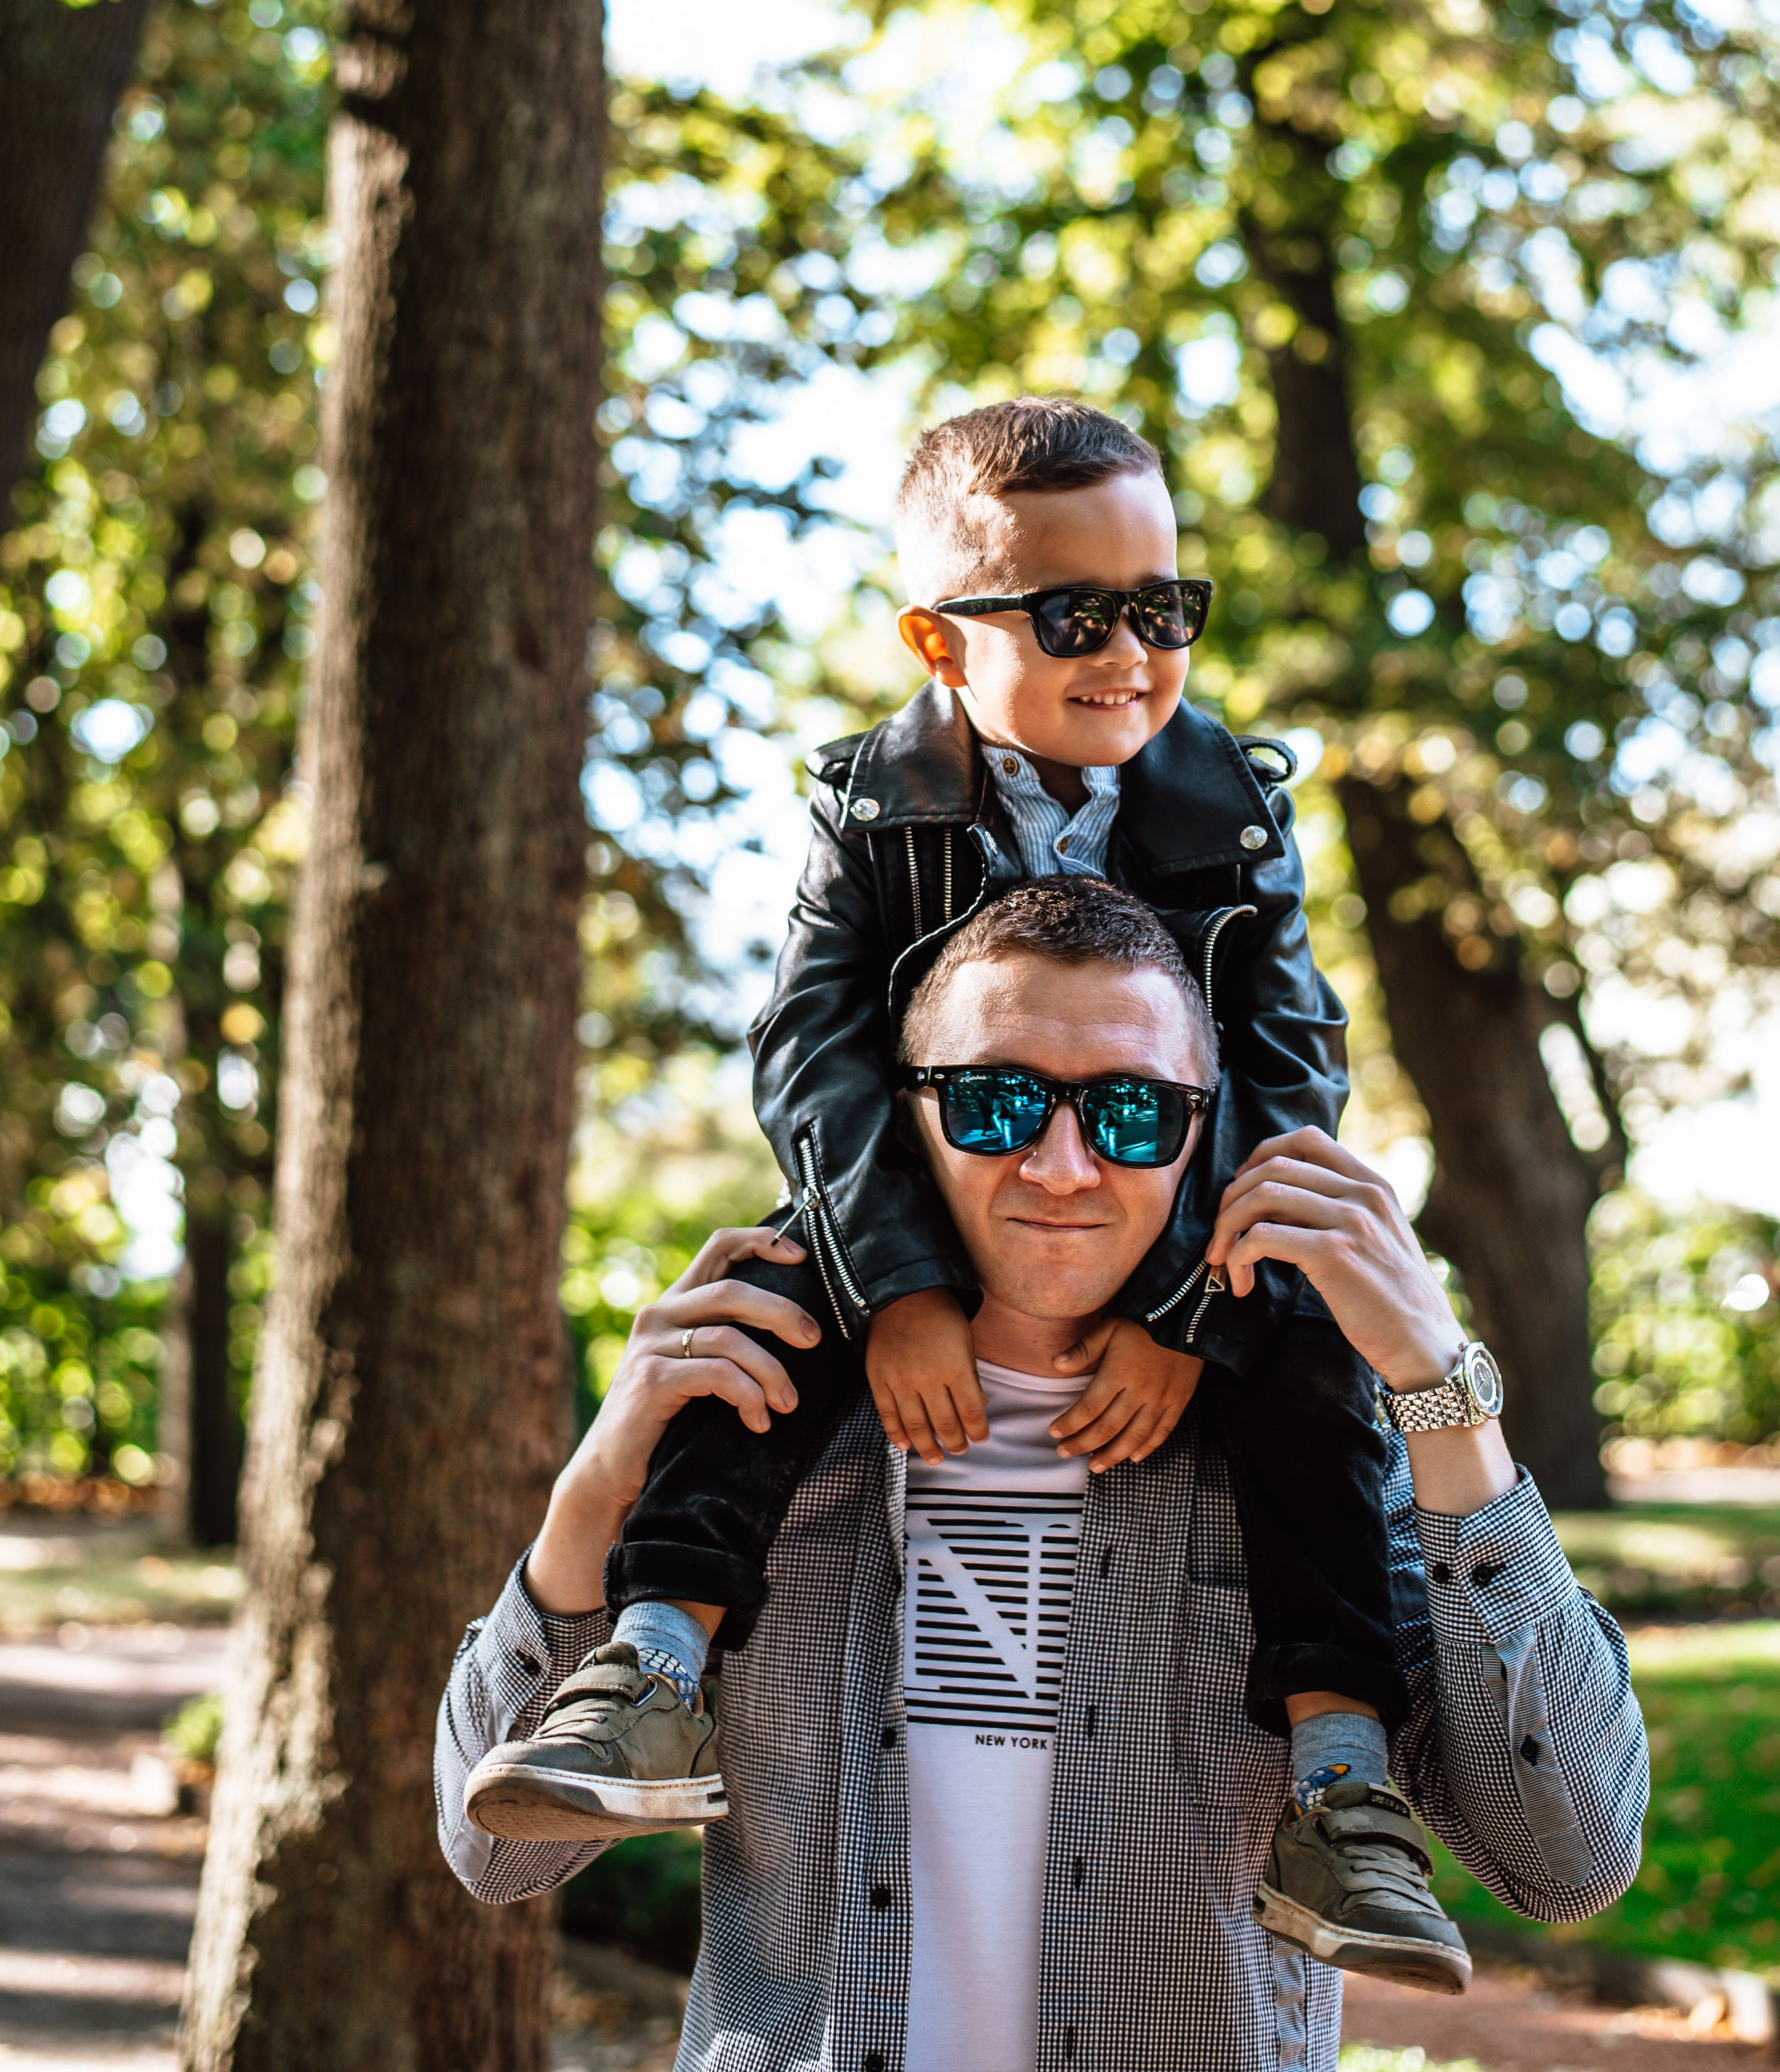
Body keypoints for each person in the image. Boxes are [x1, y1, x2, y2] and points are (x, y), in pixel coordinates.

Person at [464, 395, 1467, 1980]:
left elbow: (1285, 1055)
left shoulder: (1232, 807)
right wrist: (900, 1295)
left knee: (1307, 1353)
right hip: (907, 1216)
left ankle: (1340, 1785)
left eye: (1164, 607)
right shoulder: (870, 803)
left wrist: (1188, 1310)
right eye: (1075, 612)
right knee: (759, 1313)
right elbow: (809, 1047)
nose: (1129, 649)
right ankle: (652, 1667)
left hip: (1171, 1218)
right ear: (940, 644)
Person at [439, 880, 1648, 2072]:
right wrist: (600, 1480)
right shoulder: (755, 1439)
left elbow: (1568, 1861)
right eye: (994, 1103)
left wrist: (1439, 1393)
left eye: (1130, 1112)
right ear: (902, 1119)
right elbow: (495, 1858)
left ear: (1203, 1130)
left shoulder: (1307, 1470)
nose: (1063, 1166)